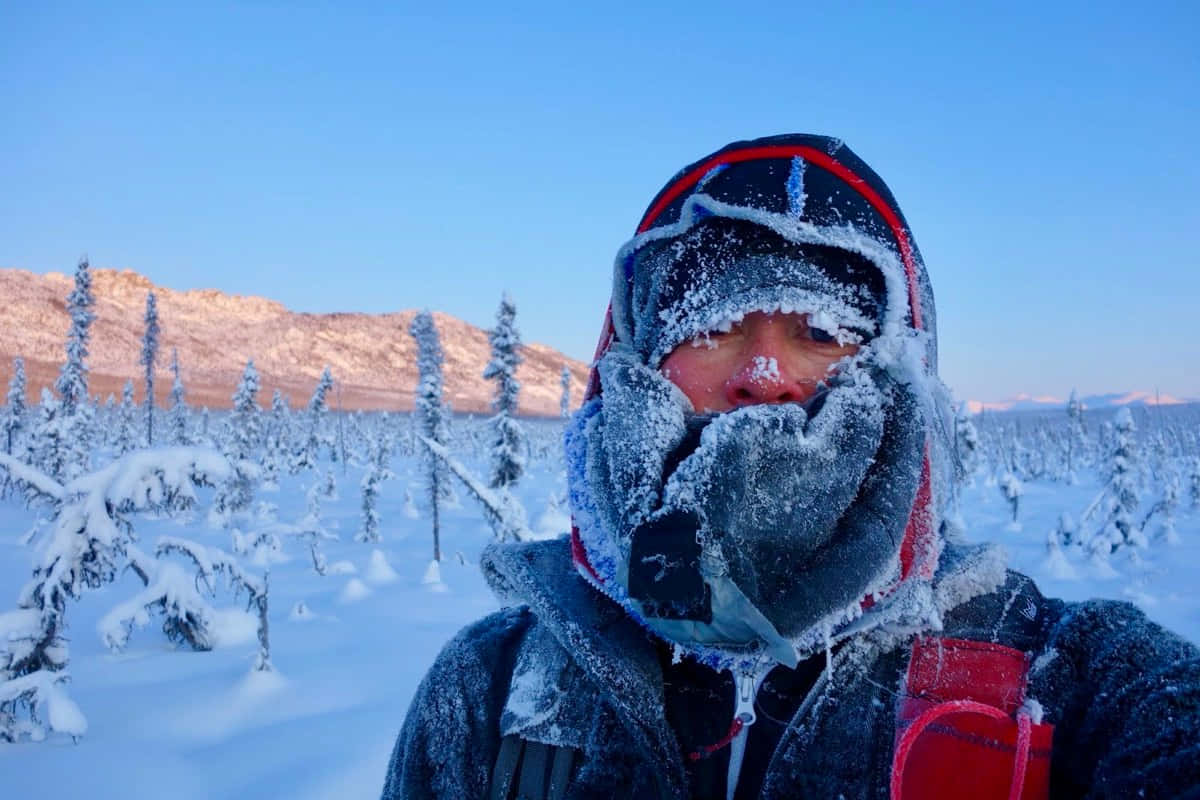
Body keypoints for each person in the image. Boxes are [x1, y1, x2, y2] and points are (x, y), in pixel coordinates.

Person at [382, 134, 1200, 799]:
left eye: (819, 332)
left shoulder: (1066, 686)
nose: (765, 379)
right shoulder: (494, 695)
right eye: (714, 326)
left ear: (900, 368)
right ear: (636, 363)